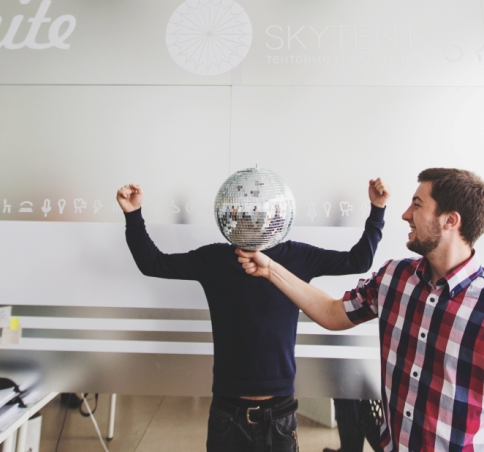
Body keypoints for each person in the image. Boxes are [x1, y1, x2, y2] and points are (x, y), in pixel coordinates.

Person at [238, 168, 484, 452]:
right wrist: (270, 270)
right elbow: (333, 313)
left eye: (417, 205)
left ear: (450, 220)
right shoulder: (394, 277)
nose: (405, 214)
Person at [116, 179, 389, 452]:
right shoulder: (214, 259)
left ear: (277, 215)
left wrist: (377, 210)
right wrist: (133, 214)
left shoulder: (297, 256)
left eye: (262, 211)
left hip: (279, 413)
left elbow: (358, 261)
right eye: (245, 211)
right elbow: (153, 263)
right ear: (231, 216)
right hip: (227, 412)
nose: (254, 218)